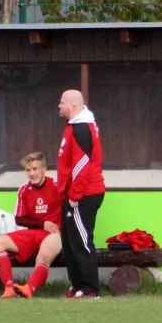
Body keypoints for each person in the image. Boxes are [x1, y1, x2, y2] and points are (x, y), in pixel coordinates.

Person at [0, 152, 62, 299]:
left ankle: (28, 288)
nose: (32, 173)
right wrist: (42, 224)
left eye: (35, 169)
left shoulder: (57, 186)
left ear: (44, 169)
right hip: (33, 233)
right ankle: (9, 287)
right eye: (28, 170)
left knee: (43, 257)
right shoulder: (24, 190)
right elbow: (19, 219)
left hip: (54, 234)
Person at [57, 89, 106, 299]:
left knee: (82, 241)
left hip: (83, 195)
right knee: (69, 242)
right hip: (72, 195)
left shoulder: (82, 129)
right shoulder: (74, 126)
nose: (58, 106)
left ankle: (90, 288)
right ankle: (77, 286)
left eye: (62, 103)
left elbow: (81, 165)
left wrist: (75, 195)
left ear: (73, 107)